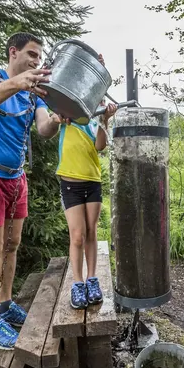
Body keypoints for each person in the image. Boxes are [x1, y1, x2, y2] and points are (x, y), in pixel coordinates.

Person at [0, 32, 67, 350]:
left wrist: (58, 119)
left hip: (15, 179)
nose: (36, 61)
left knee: (11, 246)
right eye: (32, 55)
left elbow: (43, 130)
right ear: (14, 53)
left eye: (39, 57)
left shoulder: (32, 95)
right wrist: (17, 82)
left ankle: (6, 305)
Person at [56, 61, 117, 309]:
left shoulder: (96, 115)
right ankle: (77, 282)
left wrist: (106, 119)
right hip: (70, 182)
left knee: (91, 232)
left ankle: (93, 279)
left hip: (92, 180)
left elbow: (100, 146)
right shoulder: (68, 110)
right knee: (77, 236)